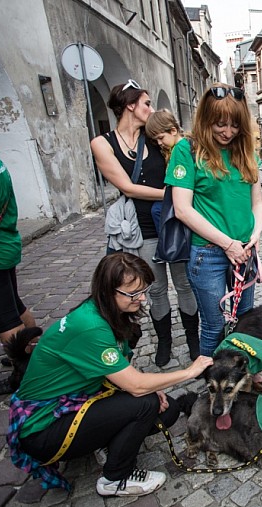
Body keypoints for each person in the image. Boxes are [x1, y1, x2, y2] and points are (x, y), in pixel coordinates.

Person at [8, 252, 213, 496]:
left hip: (73, 403)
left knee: (166, 411)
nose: (142, 298)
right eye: (133, 294)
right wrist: (189, 372)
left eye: (143, 290)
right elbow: (135, 386)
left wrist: (153, 386)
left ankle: (103, 442)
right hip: (42, 428)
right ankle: (116, 478)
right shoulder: (91, 326)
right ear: (108, 291)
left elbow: (121, 369)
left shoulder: (105, 312)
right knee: (145, 403)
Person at [91, 83, 199, 368]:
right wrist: (174, 193)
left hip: (173, 222)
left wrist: (180, 195)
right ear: (129, 105)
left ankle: (193, 340)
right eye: (146, 103)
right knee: (155, 289)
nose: (151, 109)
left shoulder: (154, 138)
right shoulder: (103, 143)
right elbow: (128, 187)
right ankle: (164, 341)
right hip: (142, 228)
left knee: (184, 284)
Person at [165, 83, 262, 361]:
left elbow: (257, 202)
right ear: (206, 119)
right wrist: (227, 244)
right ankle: (212, 385)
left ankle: (244, 374)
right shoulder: (187, 150)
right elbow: (183, 209)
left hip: (244, 251)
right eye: (220, 124)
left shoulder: (246, 152)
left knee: (245, 321)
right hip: (207, 254)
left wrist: (254, 235)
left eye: (234, 125)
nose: (227, 132)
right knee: (213, 325)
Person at [0, 152, 37, 391]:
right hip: (5, 243)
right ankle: (27, 352)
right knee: (16, 307)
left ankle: (23, 374)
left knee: (6, 317)